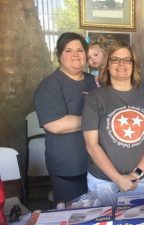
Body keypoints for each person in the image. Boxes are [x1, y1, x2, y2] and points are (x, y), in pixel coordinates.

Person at [81, 41, 144, 196]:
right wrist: (117, 178)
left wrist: (137, 173)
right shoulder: (94, 98)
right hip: (103, 181)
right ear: (107, 65)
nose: (121, 64)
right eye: (115, 59)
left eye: (126, 60)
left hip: (141, 179)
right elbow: (91, 145)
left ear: (133, 65)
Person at [34, 32, 97, 204]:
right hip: (68, 165)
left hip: (97, 163)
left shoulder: (93, 81)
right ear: (59, 55)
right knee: (73, 214)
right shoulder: (50, 85)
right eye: (68, 50)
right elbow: (55, 125)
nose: (75, 55)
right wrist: (96, 119)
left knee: (100, 212)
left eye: (80, 50)